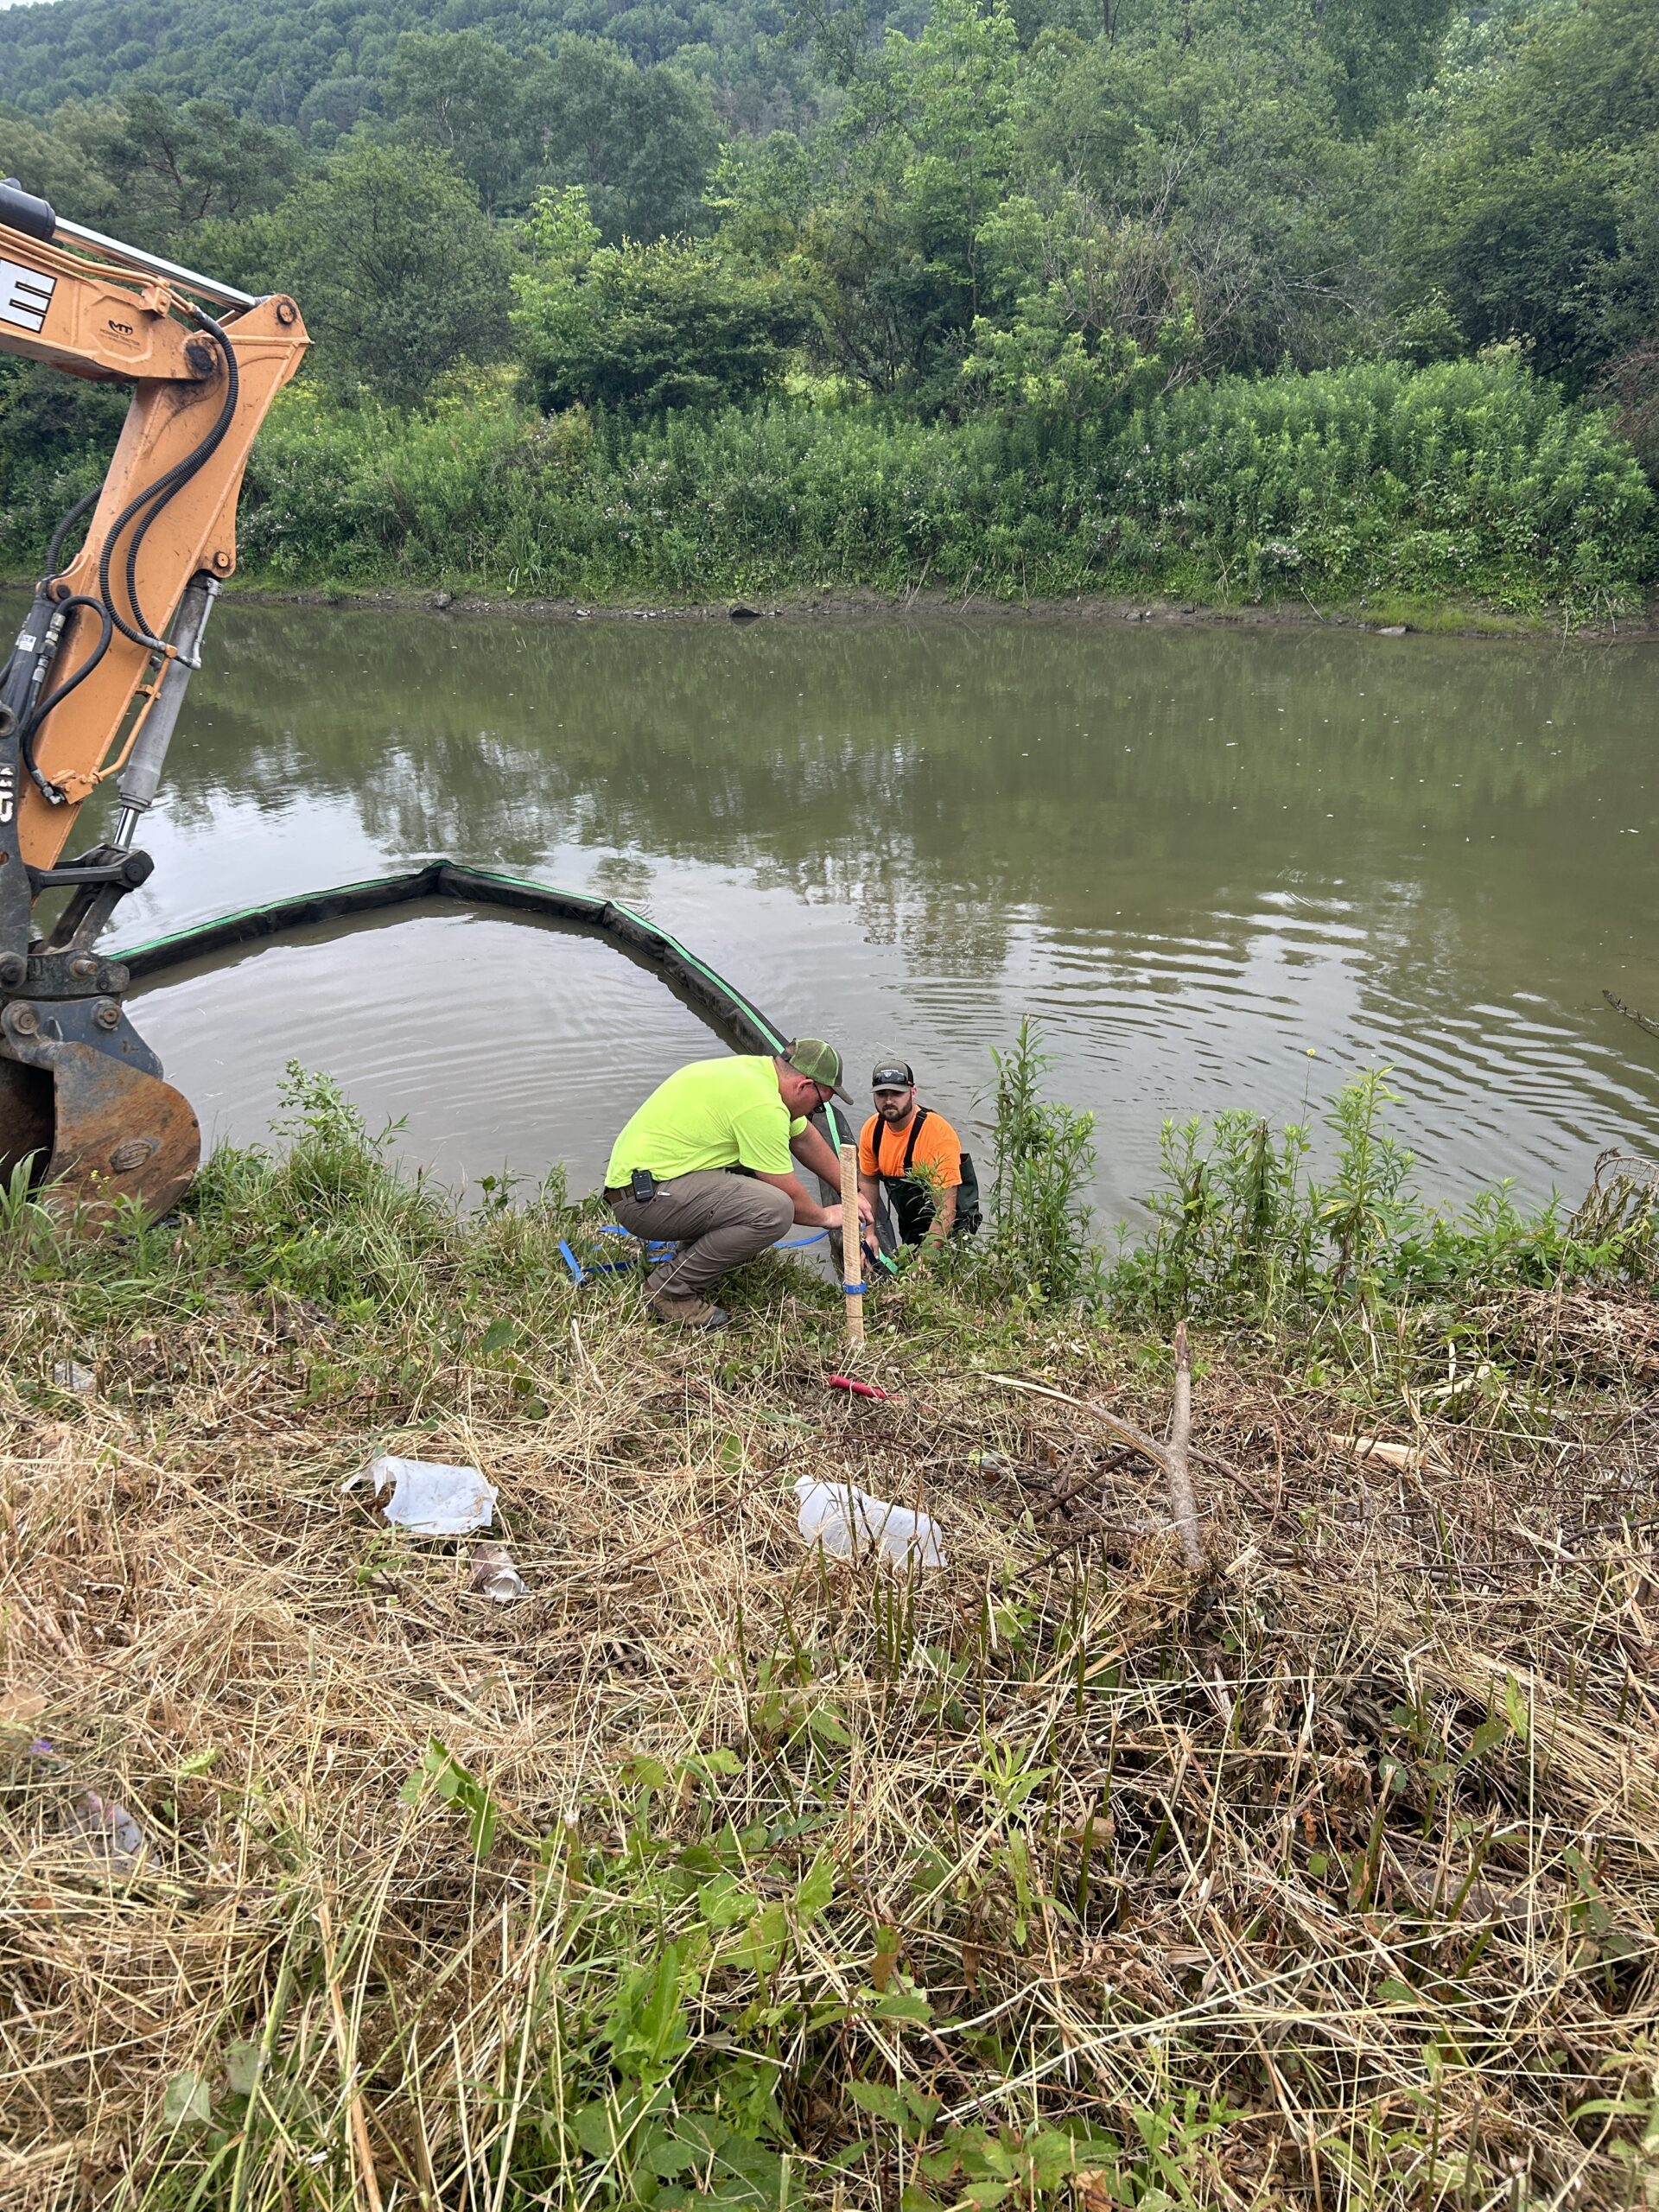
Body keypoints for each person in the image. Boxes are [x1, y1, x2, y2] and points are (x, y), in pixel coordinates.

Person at [605, 1039, 874, 1331]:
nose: (815, 1113)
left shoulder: (758, 1076)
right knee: (775, 1209)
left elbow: (804, 1138)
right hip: (643, 1201)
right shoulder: (763, 1105)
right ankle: (670, 1292)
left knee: (753, 1183)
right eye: (819, 1107)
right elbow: (791, 1200)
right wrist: (826, 1216)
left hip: (653, 1187)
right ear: (804, 1085)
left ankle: (688, 1259)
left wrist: (851, 1191)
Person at [857, 1057, 974, 1250]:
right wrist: (869, 1234)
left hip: (952, 1221)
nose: (888, 1101)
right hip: (911, 1221)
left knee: (942, 1270)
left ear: (913, 1092)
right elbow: (869, 1181)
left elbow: (945, 1212)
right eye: (881, 1094)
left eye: (896, 1093)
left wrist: (925, 1260)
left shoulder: (937, 1135)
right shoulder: (872, 1130)